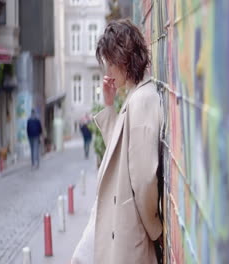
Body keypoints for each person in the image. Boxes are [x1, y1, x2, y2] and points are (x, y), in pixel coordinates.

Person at [72, 19, 163, 263]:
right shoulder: (136, 97)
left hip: (129, 236)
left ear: (125, 58)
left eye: (111, 63)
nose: (108, 71)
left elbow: (144, 178)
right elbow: (122, 154)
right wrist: (109, 105)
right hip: (122, 232)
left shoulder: (142, 100)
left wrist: (155, 228)